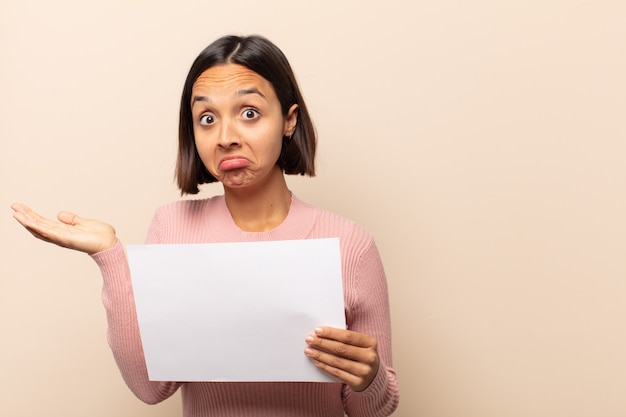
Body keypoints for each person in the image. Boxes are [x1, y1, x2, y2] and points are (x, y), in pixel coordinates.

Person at [11, 34, 400, 417]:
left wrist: (370, 378)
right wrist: (110, 256)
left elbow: (372, 411)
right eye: (207, 118)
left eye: (249, 113)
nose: (226, 138)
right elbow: (150, 389)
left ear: (289, 120)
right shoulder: (173, 228)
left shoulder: (350, 245)